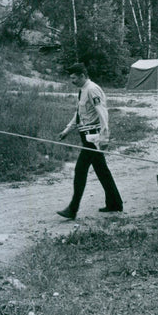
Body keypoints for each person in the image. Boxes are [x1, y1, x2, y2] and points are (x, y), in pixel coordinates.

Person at [56, 62, 123, 219]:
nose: (72, 80)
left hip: (93, 138)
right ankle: (115, 203)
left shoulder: (92, 89)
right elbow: (79, 113)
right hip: (86, 135)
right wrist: (67, 130)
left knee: (80, 171)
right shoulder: (83, 90)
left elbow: (103, 112)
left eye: (74, 78)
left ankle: (73, 208)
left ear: (82, 75)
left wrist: (105, 136)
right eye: (70, 77)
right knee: (102, 171)